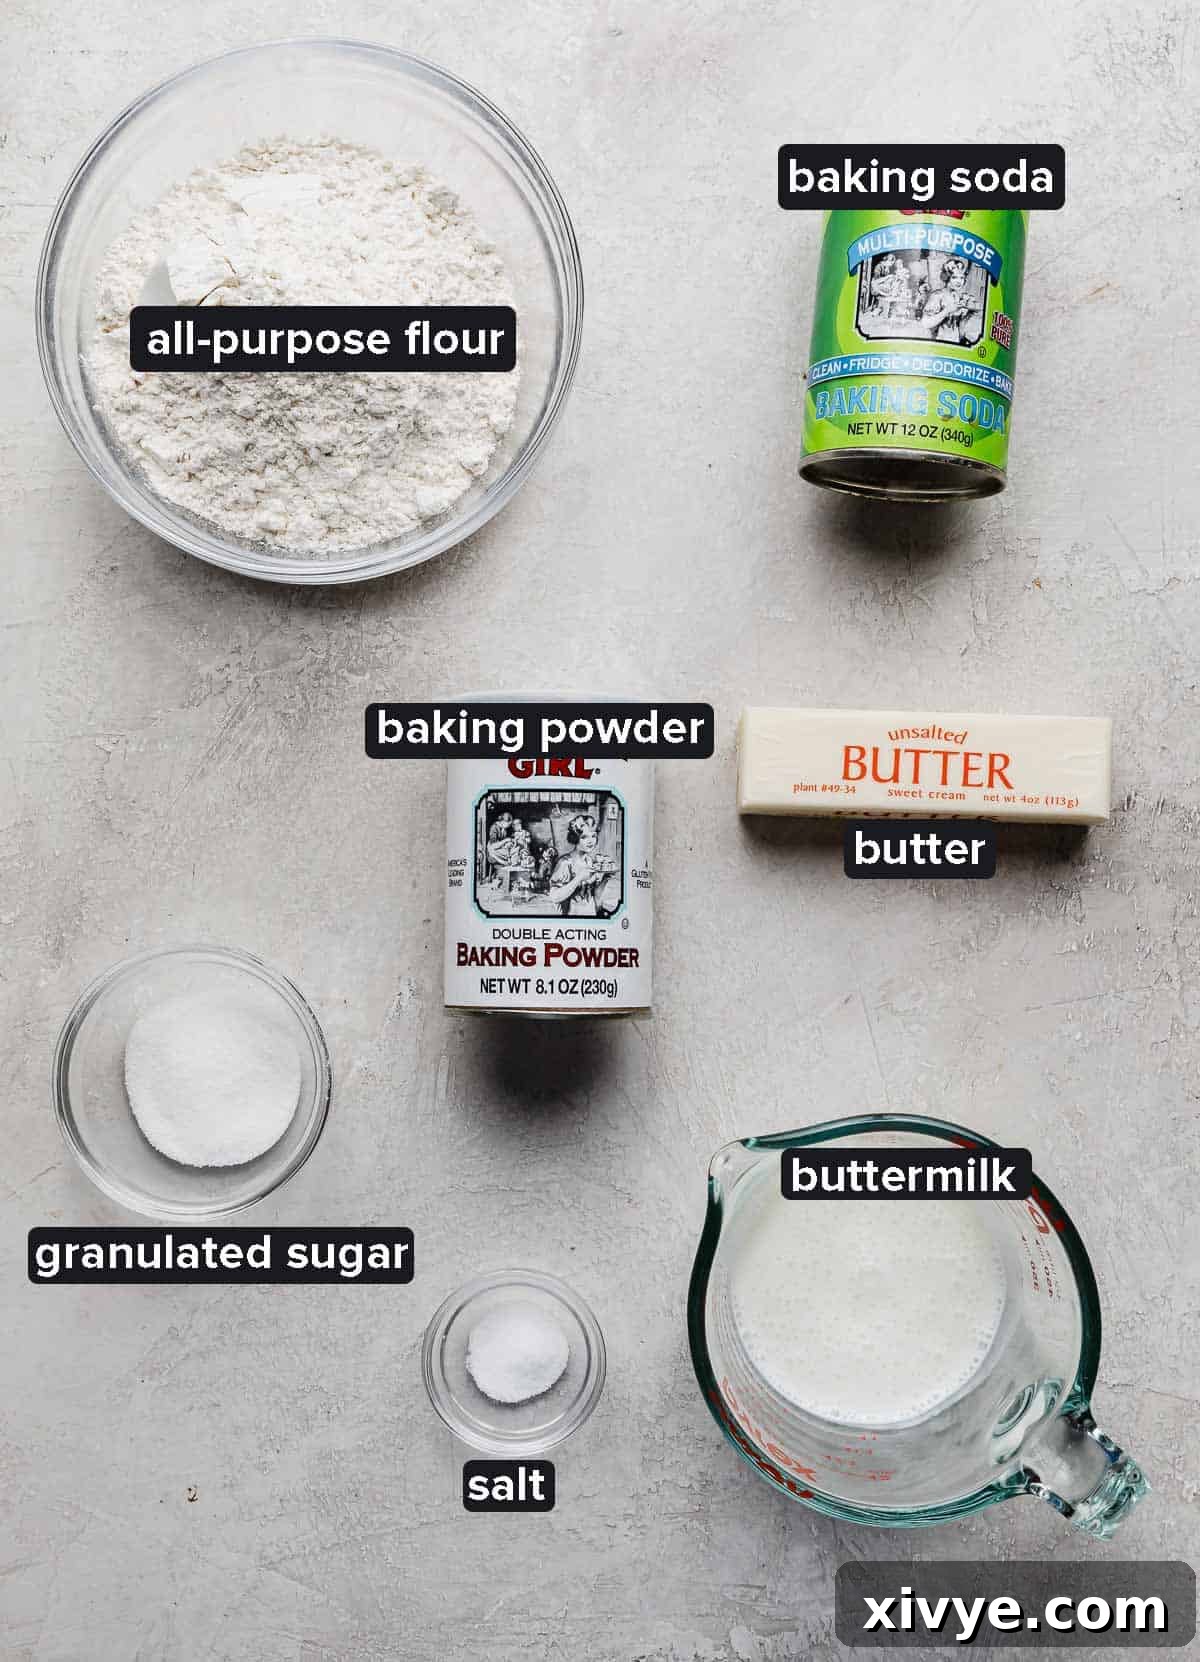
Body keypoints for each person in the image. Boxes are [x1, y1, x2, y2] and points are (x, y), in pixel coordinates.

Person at [548, 815, 618, 917]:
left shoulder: (589, 861)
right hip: (572, 916)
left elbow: (594, 896)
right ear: (576, 838)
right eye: (584, 837)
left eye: (593, 836)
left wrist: (606, 878)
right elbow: (554, 897)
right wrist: (579, 878)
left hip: (590, 912)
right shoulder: (566, 862)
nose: (591, 841)